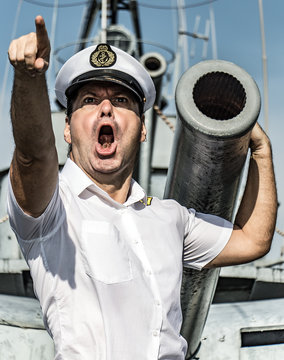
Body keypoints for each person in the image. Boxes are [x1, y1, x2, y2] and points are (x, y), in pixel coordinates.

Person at [7, 16, 277, 360]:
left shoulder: (170, 218)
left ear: (143, 129)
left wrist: (262, 153)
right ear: (68, 129)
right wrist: (29, 79)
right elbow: (33, 157)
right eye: (89, 100)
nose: (106, 107)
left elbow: (253, 239)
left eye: (121, 101)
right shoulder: (52, 211)